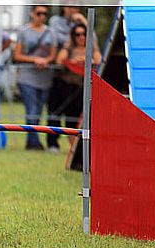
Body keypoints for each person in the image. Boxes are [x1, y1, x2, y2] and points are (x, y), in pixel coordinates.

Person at [46, 6, 95, 152]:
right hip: (63, 86)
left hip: (79, 88)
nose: (81, 37)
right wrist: (73, 62)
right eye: (77, 34)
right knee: (55, 115)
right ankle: (53, 144)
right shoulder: (68, 46)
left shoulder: (91, 48)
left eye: (83, 34)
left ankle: (74, 148)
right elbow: (60, 60)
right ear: (73, 36)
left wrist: (83, 20)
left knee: (73, 119)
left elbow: (98, 58)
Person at [13, 5, 57, 150]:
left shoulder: (51, 32)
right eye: (39, 13)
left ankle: (34, 140)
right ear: (32, 13)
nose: (42, 16)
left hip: (45, 78)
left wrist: (46, 60)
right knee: (31, 110)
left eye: (45, 13)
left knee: (38, 111)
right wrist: (35, 60)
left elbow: (53, 54)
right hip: (27, 78)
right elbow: (17, 55)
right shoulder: (23, 31)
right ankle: (33, 142)